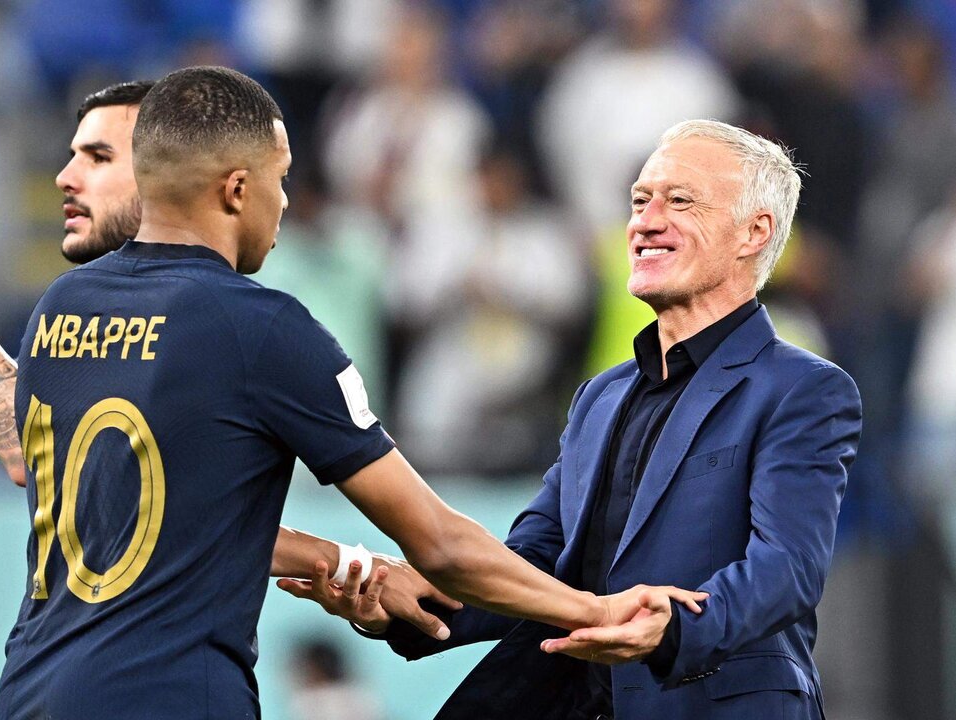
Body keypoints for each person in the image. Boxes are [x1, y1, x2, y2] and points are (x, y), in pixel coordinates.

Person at [0, 66, 705, 719]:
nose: (287, 200)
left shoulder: (62, 307)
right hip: (168, 698)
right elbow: (440, 544)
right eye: (281, 177)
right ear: (237, 187)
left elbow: (151, 508)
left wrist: (335, 559)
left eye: (95, 155)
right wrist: (592, 611)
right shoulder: (261, 327)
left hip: (35, 687)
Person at [288, 119, 863, 720]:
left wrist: (667, 629)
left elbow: (786, 570)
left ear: (754, 232)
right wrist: (416, 603)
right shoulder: (600, 397)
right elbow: (536, 563)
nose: (645, 220)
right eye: (640, 201)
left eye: (680, 200)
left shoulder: (804, 389)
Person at [0, 79, 458, 641]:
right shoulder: (84, 315)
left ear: (163, 166)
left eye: (98, 157)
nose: (65, 177)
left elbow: (28, 457)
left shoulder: (232, 319)